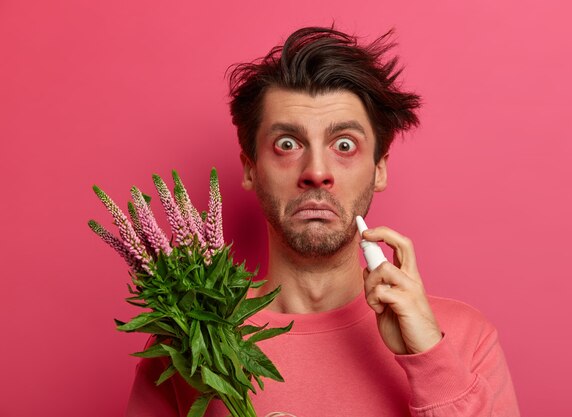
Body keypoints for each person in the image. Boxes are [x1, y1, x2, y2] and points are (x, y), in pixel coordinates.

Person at [126, 26, 520, 416]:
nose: (316, 171)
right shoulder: (189, 341)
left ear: (379, 170)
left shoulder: (464, 337)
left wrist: (429, 358)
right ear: (250, 169)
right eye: (287, 144)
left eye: (344, 145)